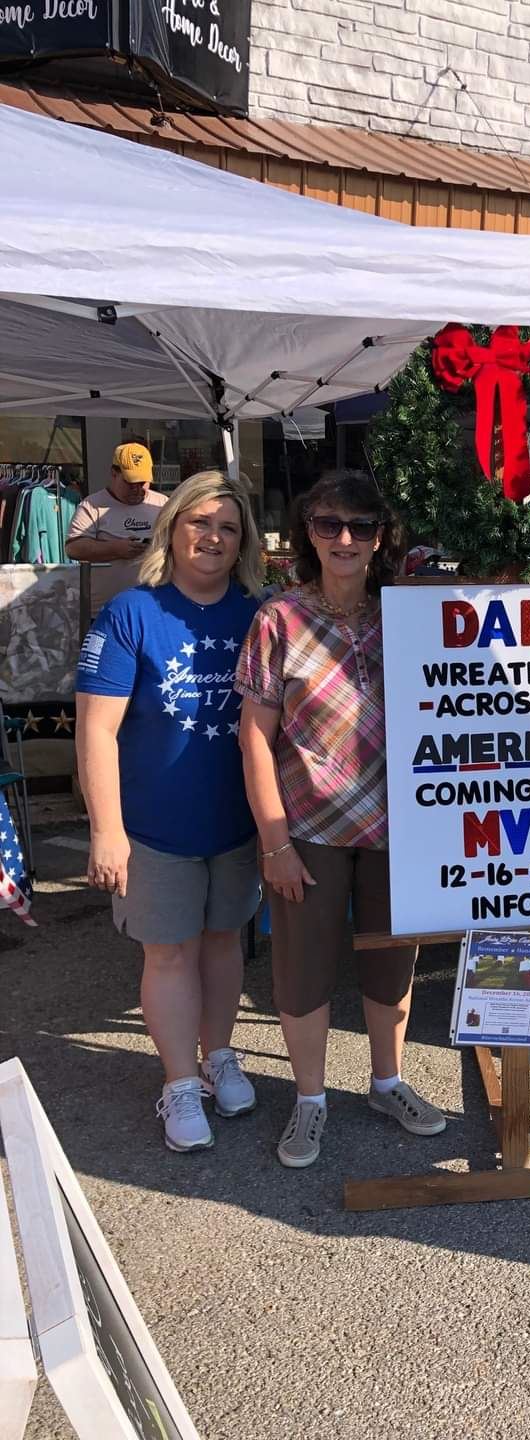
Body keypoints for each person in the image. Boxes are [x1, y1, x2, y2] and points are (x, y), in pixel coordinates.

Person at [235, 469, 446, 1170]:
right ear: (308, 533)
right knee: (302, 971)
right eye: (329, 525)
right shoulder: (279, 620)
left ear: (382, 537)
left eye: (360, 526)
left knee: (393, 965)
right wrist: (274, 844)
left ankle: (388, 1082)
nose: (345, 539)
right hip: (311, 828)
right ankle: (310, 1100)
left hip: (401, 827)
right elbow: (254, 737)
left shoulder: (409, 615)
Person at [75, 471, 264, 1153]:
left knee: (223, 944)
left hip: (236, 822)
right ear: (172, 526)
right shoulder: (131, 613)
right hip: (153, 827)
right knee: (169, 954)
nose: (212, 537)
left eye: (228, 527)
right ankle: (180, 1082)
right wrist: (106, 830)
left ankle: (219, 1056)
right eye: (199, 522)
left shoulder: (257, 611)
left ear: (242, 541)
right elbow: (95, 729)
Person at [66, 442, 168, 616]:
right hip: (104, 612)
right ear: (114, 474)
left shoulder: (162, 504)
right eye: (130, 483)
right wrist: (114, 549)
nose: (137, 489)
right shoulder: (92, 506)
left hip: (153, 610)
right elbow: (73, 548)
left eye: (143, 483)